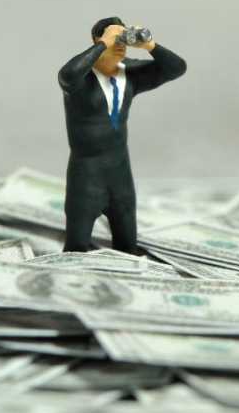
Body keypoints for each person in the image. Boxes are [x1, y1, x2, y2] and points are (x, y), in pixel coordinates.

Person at [56, 17, 187, 251]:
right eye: (114, 39)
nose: (119, 44)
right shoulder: (82, 80)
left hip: (120, 172)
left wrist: (149, 45)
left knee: (128, 245)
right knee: (76, 247)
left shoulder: (130, 74)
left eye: (122, 39)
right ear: (97, 41)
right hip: (87, 173)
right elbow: (67, 75)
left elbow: (177, 68)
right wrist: (103, 44)